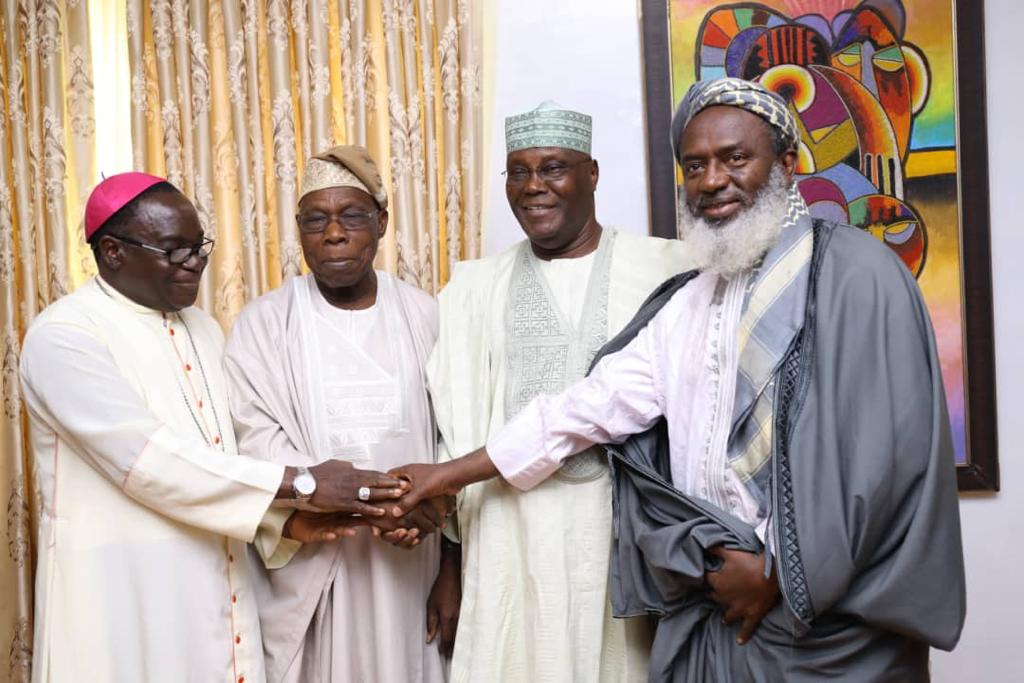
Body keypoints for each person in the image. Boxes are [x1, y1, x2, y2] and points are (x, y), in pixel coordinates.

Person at [392, 78, 966, 681]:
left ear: (788, 163)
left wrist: (777, 570)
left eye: (735, 158)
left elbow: (885, 458)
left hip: (823, 622)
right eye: (695, 165)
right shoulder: (691, 299)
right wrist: (445, 475)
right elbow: (583, 410)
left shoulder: (857, 274)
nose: (712, 180)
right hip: (714, 599)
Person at [19, 173, 409, 683]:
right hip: (120, 591)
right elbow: (149, 462)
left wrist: (283, 525)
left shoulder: (202, 328)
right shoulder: (65, 336)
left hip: (215, 580)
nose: (196, 263)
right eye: (175, 251)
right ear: (112, 252)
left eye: (198, 246)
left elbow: (224, 452)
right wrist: (304, 482)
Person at [424, 101, 692, 681]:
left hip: (625, 542)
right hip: (506, 539)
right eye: (518, 172)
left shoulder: (667, 268)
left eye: (553, 168)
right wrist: (450, 564)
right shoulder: (474, 286)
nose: (533, 186)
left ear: (591, 173)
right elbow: (454, 425)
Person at [223, 145, 447, 683]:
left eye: (351, 216)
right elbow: (253, 434)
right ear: (299, 231)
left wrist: (431, 507)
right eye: (315, 220)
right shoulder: (264, 323)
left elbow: (454, 432)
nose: (334, 234)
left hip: (411, 557)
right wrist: (346, 499)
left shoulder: (427, 314)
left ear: (381, 223)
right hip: (319, 556)